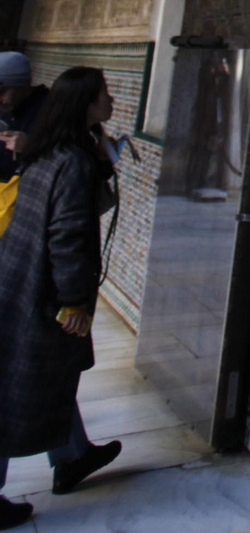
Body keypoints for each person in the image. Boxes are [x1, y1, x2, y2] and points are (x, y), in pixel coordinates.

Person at [0, 66, 123, 528]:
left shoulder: (48, 148)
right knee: (15, 387)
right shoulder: (69, 159)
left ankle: (73, 456)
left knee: (48, 374)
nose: (110, 101)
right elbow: (68, 234)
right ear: (86, 104)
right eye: (104, 95)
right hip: (39, 289)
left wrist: (104, 159)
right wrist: (74, 301)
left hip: (18, 277)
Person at [0, 50, 49, 185]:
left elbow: (67, 156)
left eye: (2, 92)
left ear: (24, 84)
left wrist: (31, 146)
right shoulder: (5, 109)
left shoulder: (50, 110)